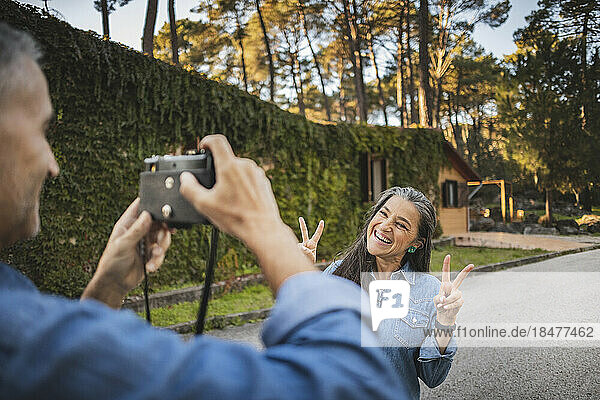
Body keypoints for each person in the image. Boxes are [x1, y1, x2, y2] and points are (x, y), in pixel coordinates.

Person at [0, 23, 408, 399]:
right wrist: (266, 229)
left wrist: (104, 289)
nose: (52, 163)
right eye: (41, 129)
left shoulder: (15, 300)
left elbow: (69, 377)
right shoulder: (15, 327)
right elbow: (357, 383)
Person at [298, 187, 473, 399]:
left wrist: (445, 321)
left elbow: (433, 376)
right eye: (383, 213)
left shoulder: (430, 291)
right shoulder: (336, 273)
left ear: (416, 243)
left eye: (401, 224)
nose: (385, 225)